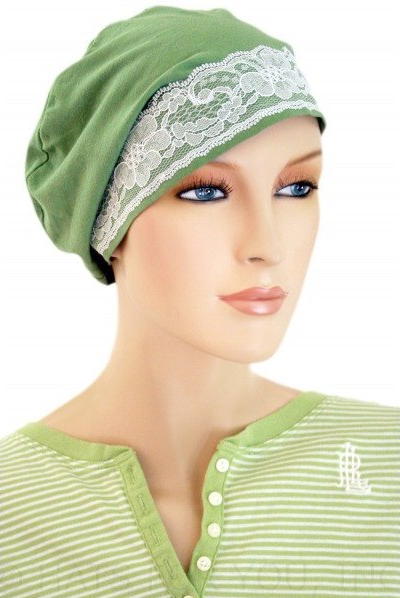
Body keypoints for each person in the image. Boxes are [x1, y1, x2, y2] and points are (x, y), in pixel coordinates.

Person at [1, 6, 399, 598]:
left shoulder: (386, 465)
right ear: (108, 222)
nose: (267, 245)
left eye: (297, 188)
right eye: (207, 192)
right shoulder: (12, 512)